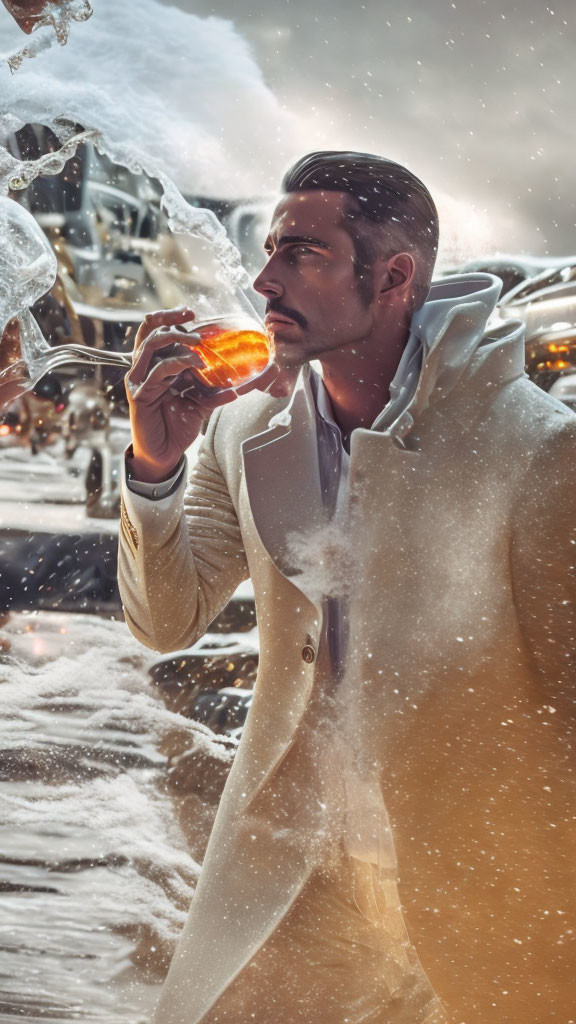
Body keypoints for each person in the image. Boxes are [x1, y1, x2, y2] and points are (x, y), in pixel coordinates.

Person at [118, 151, 576, 1024]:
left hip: (484, 894)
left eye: (302, 253)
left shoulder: (541, 451)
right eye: (269, 250)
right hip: (294, 868)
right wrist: (154, 466)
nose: (263, 279)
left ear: (394, 276)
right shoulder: (237, 428)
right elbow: (165, 623)